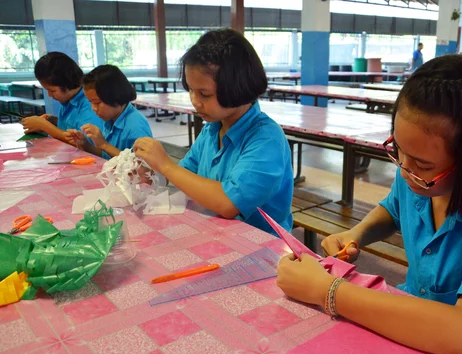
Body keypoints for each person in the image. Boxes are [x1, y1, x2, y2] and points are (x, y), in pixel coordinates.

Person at [276, 55, 462, 354]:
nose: (404, 170)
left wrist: (328, 291)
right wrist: (357, 233)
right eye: (398, 149)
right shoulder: (416, 176)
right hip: (408, 319)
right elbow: (394, 209)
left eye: (423, 165)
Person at [133, 28, 293, 235]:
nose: (194, 101)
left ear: (237, 87)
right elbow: (186, 174)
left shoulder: (266, 139)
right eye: (190, 90)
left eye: (204, 94)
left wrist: (165, 165)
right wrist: (152, 173)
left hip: (261, 245)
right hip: (218, 233)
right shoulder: (212, 129)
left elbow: (228, 204)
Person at [66, 65, 152, 159]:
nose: (93, 108)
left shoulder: (135, 126)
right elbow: (107, 157)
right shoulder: (111, 119)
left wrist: (104, 144)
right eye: (90, 102)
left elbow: (141, 167)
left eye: (97, 103)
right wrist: (85, 144)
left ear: (114, 96)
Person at [21, 52, 103, 142]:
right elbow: (73, 126)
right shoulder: (68, 100)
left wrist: (44, 126)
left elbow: (84, 143)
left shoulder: (90, 103)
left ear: (66, 83)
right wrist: (55, 121)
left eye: (52, 91)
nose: (49, 95)